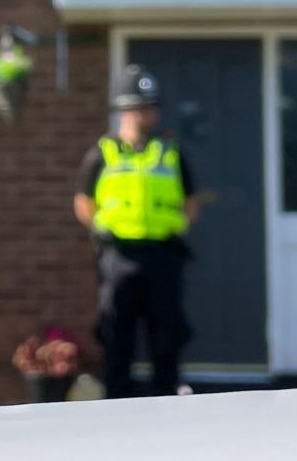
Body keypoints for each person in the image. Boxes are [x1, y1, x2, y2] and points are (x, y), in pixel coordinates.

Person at [73, 65, 201, 398]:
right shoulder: (102, 154)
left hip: (163, 255)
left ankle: (167, 401)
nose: (147, 115)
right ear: (123, 110)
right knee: (116, 336)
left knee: (166, 335)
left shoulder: (170, 153)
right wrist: (104, 231)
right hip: (118, 256)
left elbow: (190, 201)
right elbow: (84, 202)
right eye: (140, 107)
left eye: (151, 107)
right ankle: (116, 404)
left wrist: (173, 226)